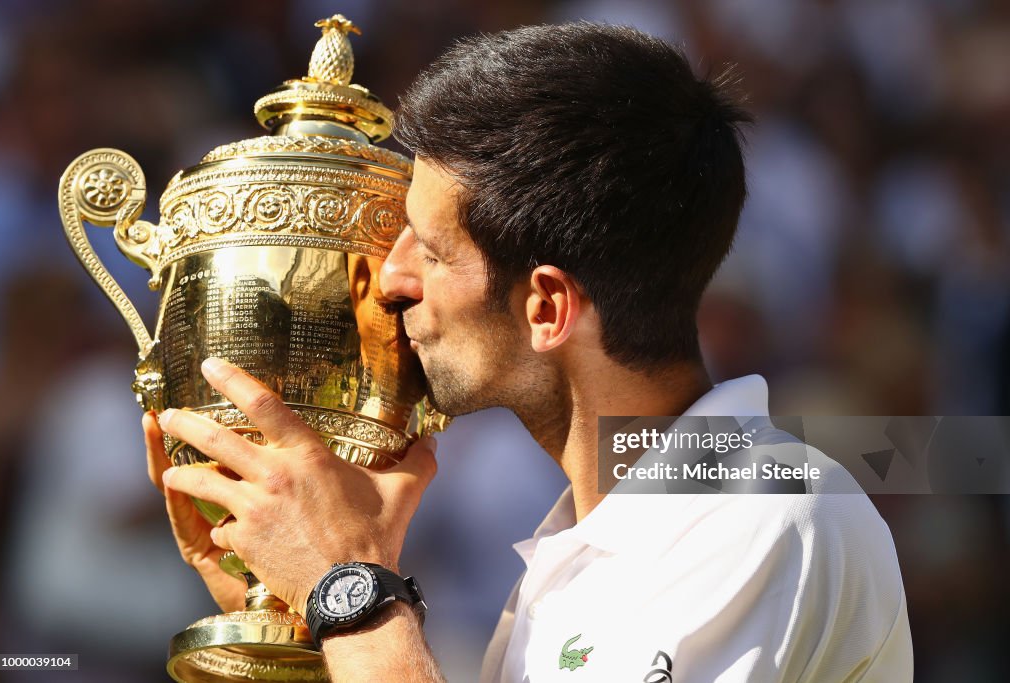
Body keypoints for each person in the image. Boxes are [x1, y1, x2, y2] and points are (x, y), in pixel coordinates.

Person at [144, 22, 912, 682]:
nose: (393, 279)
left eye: (433, 250)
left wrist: (350, 589)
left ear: (547, 306)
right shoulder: (592, 540)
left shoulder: (768, 513)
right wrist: (289, 625)